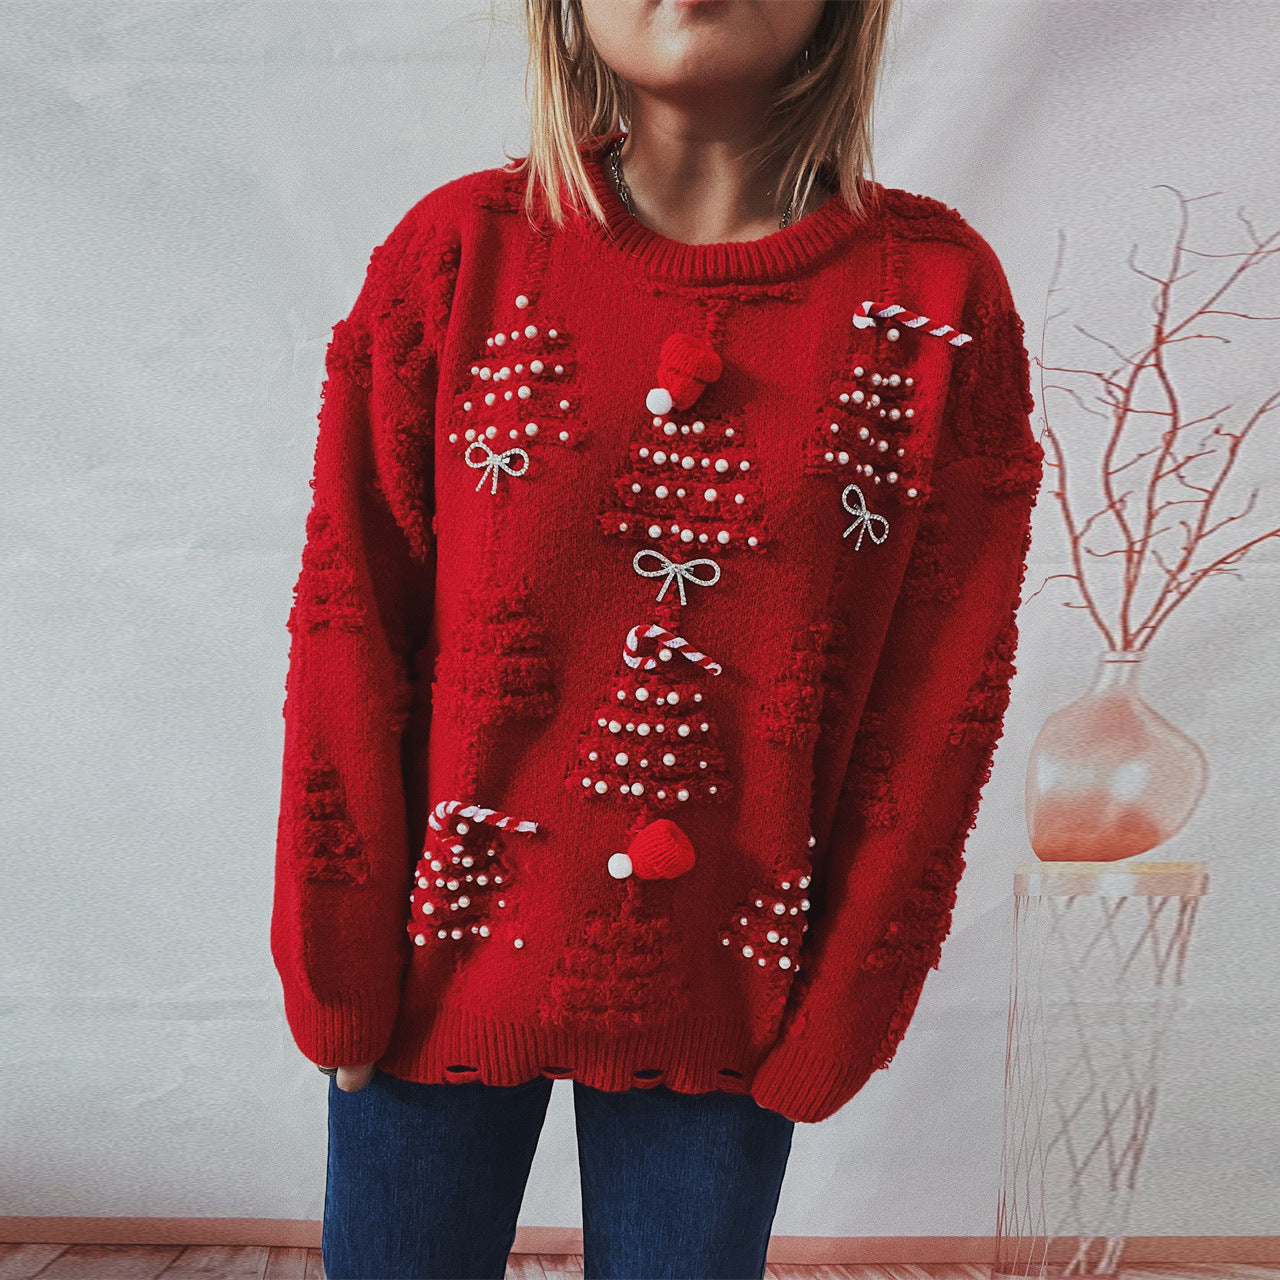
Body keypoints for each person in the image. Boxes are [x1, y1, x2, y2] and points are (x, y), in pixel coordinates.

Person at [270, 1, 1045, 1277]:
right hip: (427, 972)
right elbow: (349, 621)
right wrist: (336, 958)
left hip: (733, 993)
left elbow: (941, 696)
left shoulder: (933, 299)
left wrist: (851, 997)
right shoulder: (457, 256)